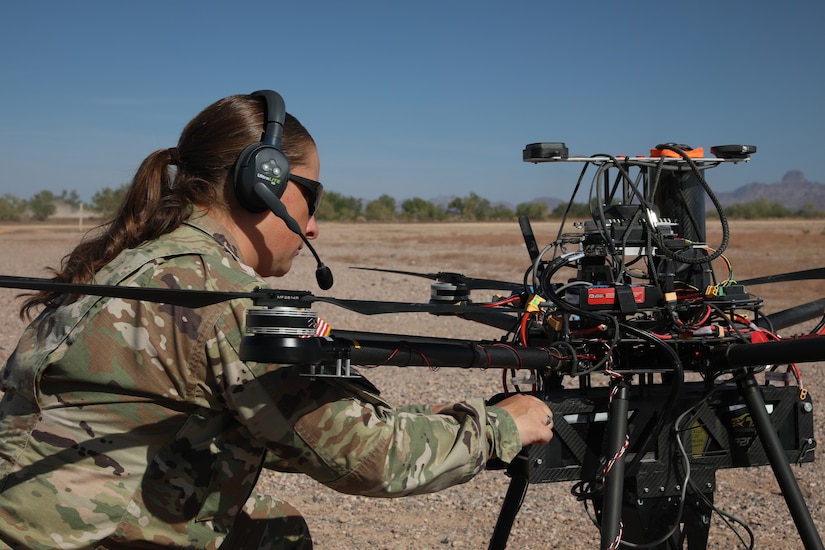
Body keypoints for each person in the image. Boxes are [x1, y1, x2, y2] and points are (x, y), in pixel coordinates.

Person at [0, 91, 554, 549]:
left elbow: (286, 427)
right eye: (310, 197)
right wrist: (505, 425)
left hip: (37, 520)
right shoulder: (220, 299)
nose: (312, 226)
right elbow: (367, 459)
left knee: (272, 526)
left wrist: (420, 416)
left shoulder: (143, 261)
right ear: (260, 182)